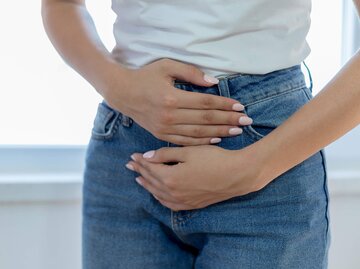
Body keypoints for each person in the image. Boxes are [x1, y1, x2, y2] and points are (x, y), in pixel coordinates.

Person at [41, 0, 360, 268]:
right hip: (126, 149)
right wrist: (117, 87)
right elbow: (62, 5)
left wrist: (253, 168)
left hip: (266, 151)